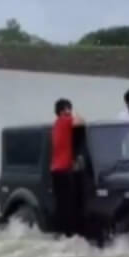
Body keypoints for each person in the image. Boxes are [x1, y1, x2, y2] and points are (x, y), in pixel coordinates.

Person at [51, 98, 85, 236]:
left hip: (55, 170)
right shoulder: (66, 121)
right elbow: (81, 121)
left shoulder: (56, 124)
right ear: (62, 111)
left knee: (61, 205)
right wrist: (73, 114)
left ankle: (60, 233)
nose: (69, 111)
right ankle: (69, 233)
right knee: (70, 205)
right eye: (67, 109)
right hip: (64, 170)